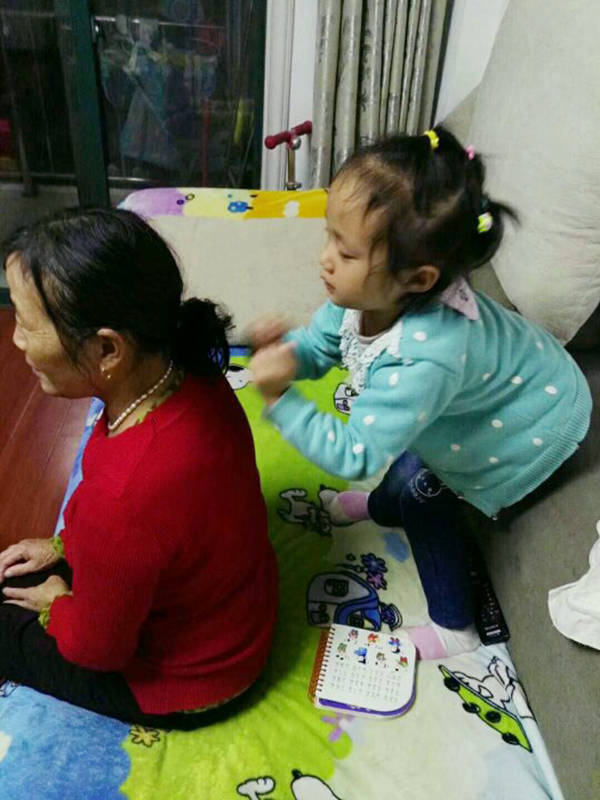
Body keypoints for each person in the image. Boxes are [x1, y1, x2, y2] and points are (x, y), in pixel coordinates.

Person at [248, 126, 591, 660]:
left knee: (425, 491)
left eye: (346, 252)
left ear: (418, 279)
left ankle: (456, 625)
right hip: (506, 377)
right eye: (328, 236)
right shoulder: (365, 297)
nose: (325, 260)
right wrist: (289, 356)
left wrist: (281, 400)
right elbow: (323, 343)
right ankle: (380, 508)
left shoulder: (424, 357)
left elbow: (357, 454)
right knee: (411, 455)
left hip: (534, 419)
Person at [0, 208, 278, 728]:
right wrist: (66, 545)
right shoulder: (188, 370)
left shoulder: (124, 497)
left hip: (197, 679)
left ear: (107, 349)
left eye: (27, 324)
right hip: (238, 609)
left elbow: (97, 649)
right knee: (25, 570)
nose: (17, 340)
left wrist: (60, 604)